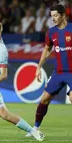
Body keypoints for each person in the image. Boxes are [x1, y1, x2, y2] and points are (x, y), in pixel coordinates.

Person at [25, 4, 72, 137]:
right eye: (51, 16)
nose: (53, 18)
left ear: (63, 15)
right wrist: (39, 67)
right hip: (59, 72)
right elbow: (46, 50)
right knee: (44, 99)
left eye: (56, 15)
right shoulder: (51, 32)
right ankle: (35, 128)